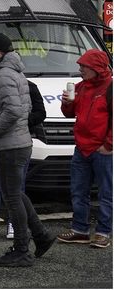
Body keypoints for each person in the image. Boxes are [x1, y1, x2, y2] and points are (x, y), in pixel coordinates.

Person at [0, 32, 55, 267]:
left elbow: (13, 111)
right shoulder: (18, 74)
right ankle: (41, 236)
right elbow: (25, 108)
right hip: (19, 142)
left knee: (11, 197)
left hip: (10, 144)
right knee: (17, 194)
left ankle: (22, 249)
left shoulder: (3, 77)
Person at [0, 78, 46, 240]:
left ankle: (13, 223)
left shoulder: (29, 86)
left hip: (17, 141)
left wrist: (23, 122)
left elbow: (40, 112)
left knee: (16, 185)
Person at [58, 49, 112, 249]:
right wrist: (67, 104)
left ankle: (103, 232)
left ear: (96, 68)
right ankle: (80, 230)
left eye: (84, 66)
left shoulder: (110, 87)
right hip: (82, 148)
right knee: (78, 191)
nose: (80, 69)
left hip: (102, 150)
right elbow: (69, 114)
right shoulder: (80, 87)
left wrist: (108, 145)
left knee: (106, 192)